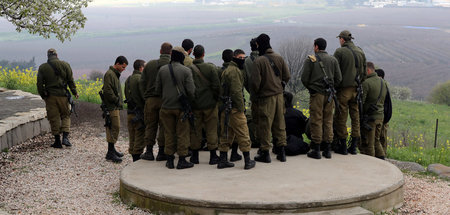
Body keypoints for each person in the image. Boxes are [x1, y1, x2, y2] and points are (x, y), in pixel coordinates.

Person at [250, 33, 290, 163]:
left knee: (265, 125)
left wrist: (256, 95)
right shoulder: (279, 57)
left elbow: (255, 83)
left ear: (258, 45)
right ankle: (282, 152)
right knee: (280, 124)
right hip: (279, 96)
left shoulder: (259, 61)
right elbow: (287, 76)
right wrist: (279, 86)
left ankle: (265, 153)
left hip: (266, 98)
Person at [155, 46, 196, 169]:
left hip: (166, 107)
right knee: (182, 133)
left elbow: (157, 90)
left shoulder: (162, 70)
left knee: (168, 133)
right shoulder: (186, 71)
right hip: (181, 108)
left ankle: (170, 160)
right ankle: (182, 160)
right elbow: (191, 91)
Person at [301, 38, 342, 159]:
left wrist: (311, 88)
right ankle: (328, 149)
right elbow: (339, 79)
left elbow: (304, 78)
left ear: (316, 47)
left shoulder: (311, 60)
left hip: (316, 95)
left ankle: (316, 149)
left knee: (316, 119)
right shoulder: (333, 60)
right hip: (330, 95)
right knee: (328, 120)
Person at [217, 49, 256, 170]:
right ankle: (248, 161)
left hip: (226, 108)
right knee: (243, 133)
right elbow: (236, 92)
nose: (243, 60)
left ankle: (223, 160)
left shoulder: (229, 69)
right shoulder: (234, 71)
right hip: (234, 108)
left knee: (226, 133)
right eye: (240, 57)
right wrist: (241, 108)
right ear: (234, 57)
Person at [333, 30, 367, 155]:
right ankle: (353, 146)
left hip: (344, 89)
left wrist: (335, 86)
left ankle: (342, 146)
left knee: (341, 116)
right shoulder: (360, 51)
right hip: (357, 89)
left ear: (342, 39)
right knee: (355, 117)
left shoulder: (340, 51)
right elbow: (364, 73)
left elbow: (335, 71)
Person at [37, 48, 78, 148]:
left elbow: (39, 84)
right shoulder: (65, 65)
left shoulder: (43, 67)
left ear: (48, 56)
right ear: (57, 55)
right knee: (66, 115)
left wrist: (43, 95)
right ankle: (65, 138)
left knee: (53, 117)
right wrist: (74, 92)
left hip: (50, 96)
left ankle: (57, 141)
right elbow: (70, 80)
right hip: (63, 95)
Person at [188, 45, 221, 165]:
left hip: (195, 105)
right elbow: (216, 86)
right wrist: (215, 99)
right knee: (211, 129)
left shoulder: (189, 69)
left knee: (195, 130)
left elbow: (188, 88)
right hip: (210, 104)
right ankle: (213, 156)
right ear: (203, 54)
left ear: (194, 55)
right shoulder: (210, 68)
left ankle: (195, 157)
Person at [140, 42, 172, 161]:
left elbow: (142, 82)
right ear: (171, 52)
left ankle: (148, 151)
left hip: (151, 100)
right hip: (166, 100)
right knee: (163, 126)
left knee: (150, 125)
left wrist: (146, 96)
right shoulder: (172, 64)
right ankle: (161, 152)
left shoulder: (150, 65)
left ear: (160, 51)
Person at [101, 56, 128, 163]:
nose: (123, 69)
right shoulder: (110, 74)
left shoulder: (114, 74)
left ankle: (111, 150)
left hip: (114, 106)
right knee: (113, 127)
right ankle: (110, 153)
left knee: (114, 127)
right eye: (123, 66)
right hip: (111, 106)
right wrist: (116, 100)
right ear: (117, 64)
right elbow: (107, 91)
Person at [360, 62, 387, 159]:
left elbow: (361, 102)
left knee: (369, 143)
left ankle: (370, 164)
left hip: (371, 118)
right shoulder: (383, 82)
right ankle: (382, 159)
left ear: (368, 70)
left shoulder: (366, 83)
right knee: (376, 140)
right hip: (380, 116)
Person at [125, 59, 146, 162]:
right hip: (139, 113)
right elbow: (143, 96)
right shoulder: (140, 79)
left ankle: (134, 158)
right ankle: (137, 160)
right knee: (139, 135)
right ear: (141, 68)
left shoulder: (128, 79)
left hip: (129, 112)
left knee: (132, 136)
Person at [244, 38, 260, 149]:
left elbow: (245, 80)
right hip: (268, 95)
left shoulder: (247, 61)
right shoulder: (266, 58)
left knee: (256, 118)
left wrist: (251, 90)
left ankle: (256, 140)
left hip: (254, 95)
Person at [283, 91, 310, 156]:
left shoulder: (279, 115)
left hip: (283, 141)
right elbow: (306, 124)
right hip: (298, 140)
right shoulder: (298, 113)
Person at [375, 68, 391, 155]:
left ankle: (382, 156)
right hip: (383, 117)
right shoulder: (384, 87)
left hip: (383, 117)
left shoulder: (382, 88)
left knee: (382, 138)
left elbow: (386, 105)